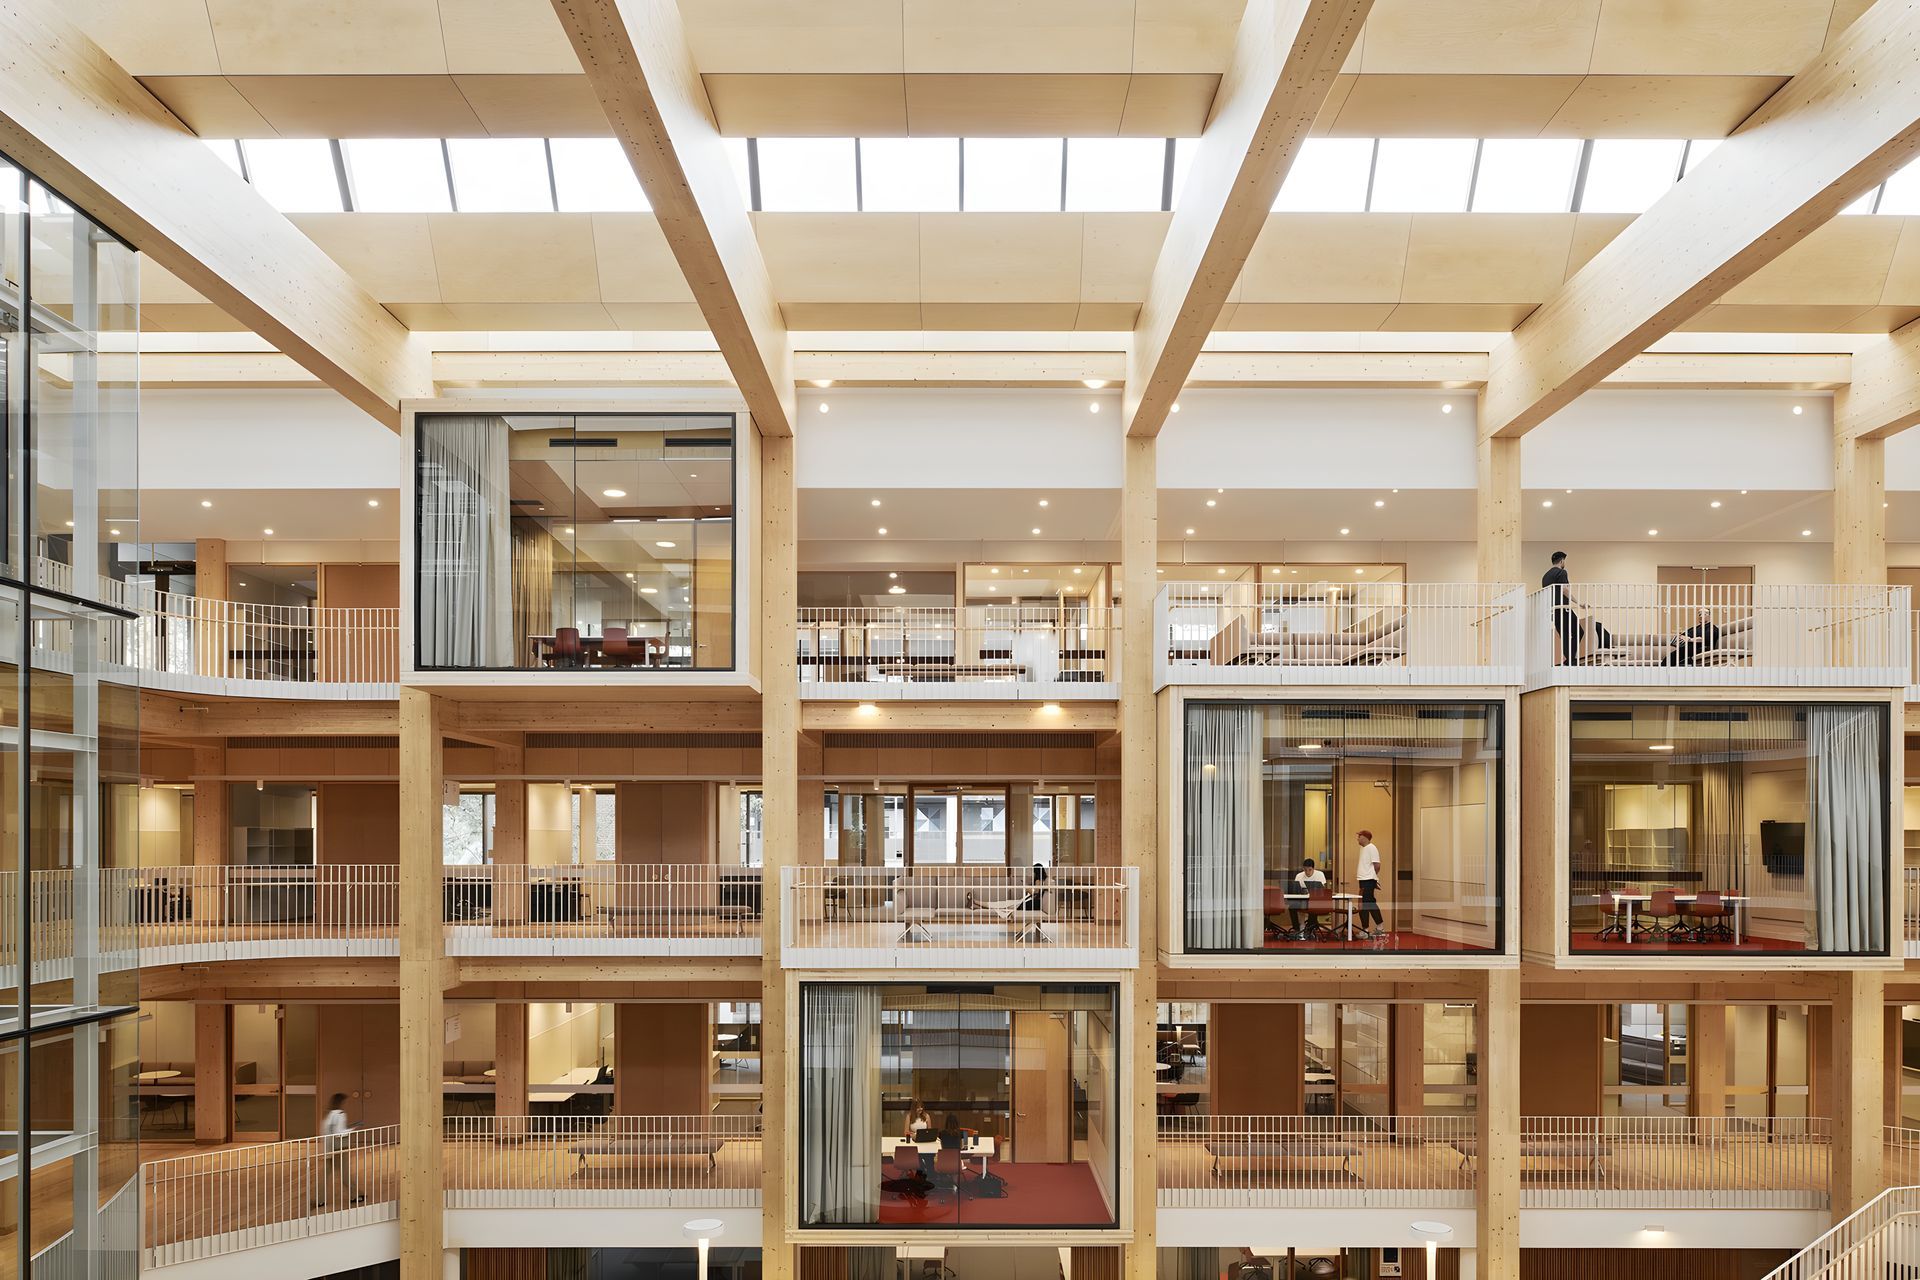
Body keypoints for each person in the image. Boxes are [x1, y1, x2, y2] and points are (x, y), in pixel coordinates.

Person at [314, 1093, 365, 1208]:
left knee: (325, 1175)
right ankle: (355, 1196)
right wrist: (354, 1128)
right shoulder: (340, 1114)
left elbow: (329, 1131)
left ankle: (320, 1199)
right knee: (345, 1173)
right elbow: (339, 1133)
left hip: (327, 1149)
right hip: (339, 1148)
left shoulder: (328, 1116)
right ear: (341, 1102)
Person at [1544, 551, 1581, 665]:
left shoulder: (1545, 576)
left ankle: (1569, 659)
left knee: (1564, 634)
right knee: (1579, 631)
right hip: (1563, 608)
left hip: (1553, 610)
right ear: (1562, 561)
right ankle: (1571, 659)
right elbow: (1565, 590)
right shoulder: (1562, 572)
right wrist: (1579, 603)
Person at [1354, 830, 1385, 937]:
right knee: (1366, 904)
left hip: (1368, 880)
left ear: (1365, 837)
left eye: (1359, 836)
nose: (1357, 838)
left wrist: (1372, 876)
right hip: (1364, 880)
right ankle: (1369, 929)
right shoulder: (1363, 848)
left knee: (1367, 903)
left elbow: (1377, 865)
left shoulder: (1372, 848)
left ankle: (1373, 929)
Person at [1289, 858, 1327, 937]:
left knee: (1313, 906)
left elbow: (1322, 889)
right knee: (1292, 906)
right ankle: (1298, 929)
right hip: (1302, 900)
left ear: (1313, 868)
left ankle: (1309, 930)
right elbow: (1295, 889)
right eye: (1305, 870)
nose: (1307, 872)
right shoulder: (1299, 876)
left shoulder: (1319, 874)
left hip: (1316, 901)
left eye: (1309, 870)